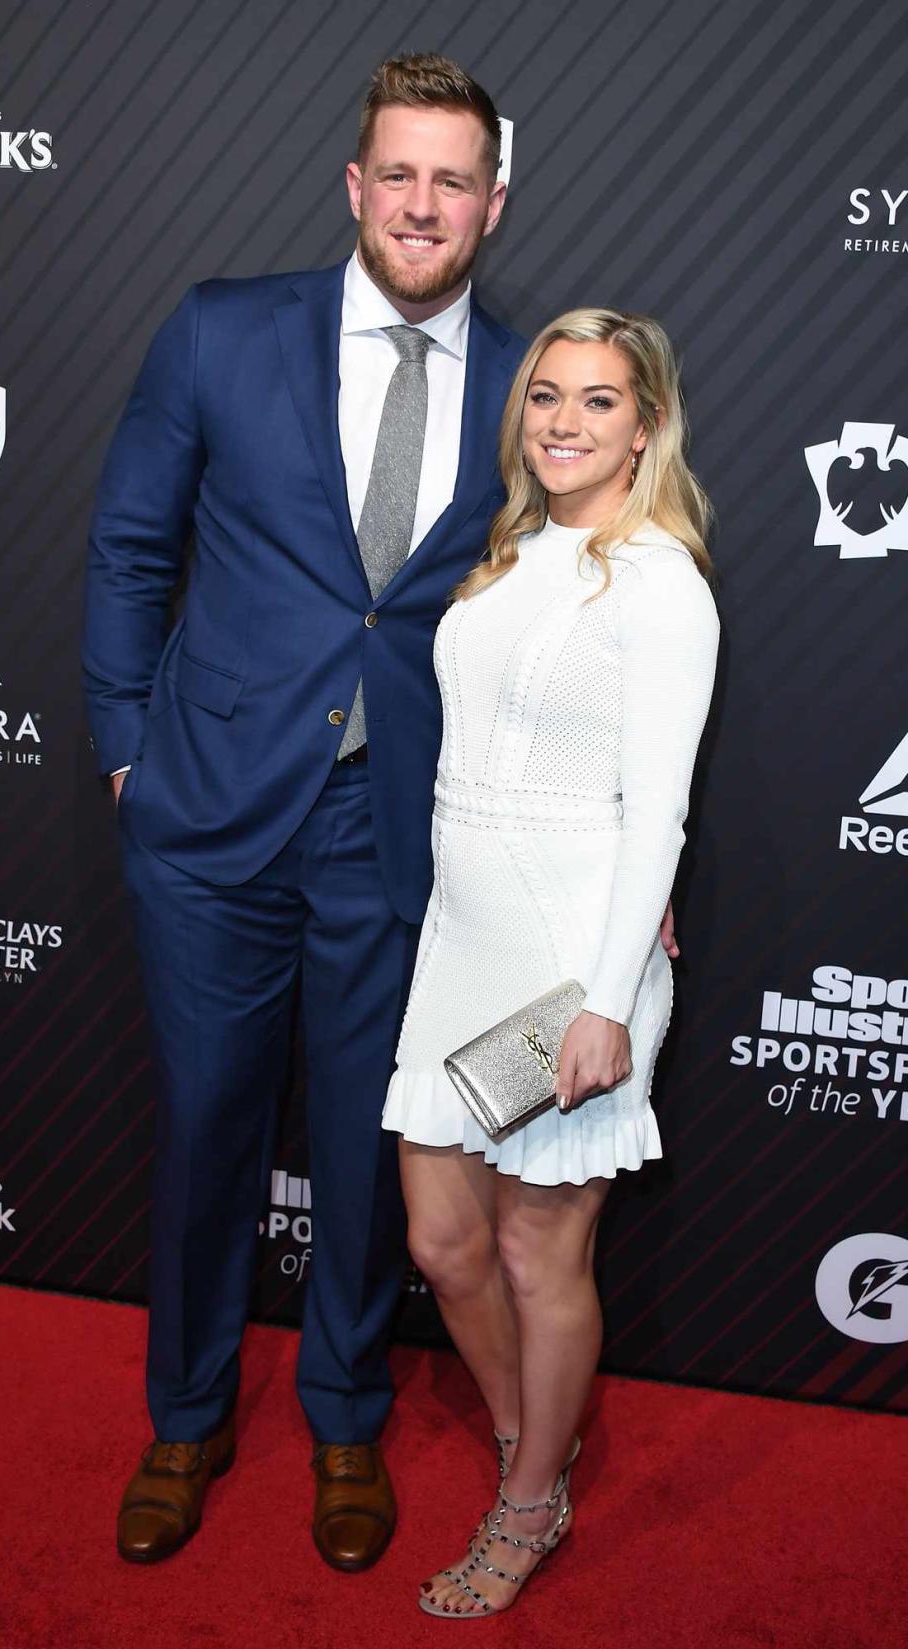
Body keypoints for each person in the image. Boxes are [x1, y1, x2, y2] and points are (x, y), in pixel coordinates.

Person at [82, 52, 523, 1572]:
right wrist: (129, 749)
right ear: (354, 186)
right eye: (397, 174)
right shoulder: (222, 329)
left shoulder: (535, 383)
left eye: (451, 179)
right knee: (205, 1125)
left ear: (494, 201)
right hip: (209, 819)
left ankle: (344, 1415)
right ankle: (188, 1414)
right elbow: (131, 544)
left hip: (394, 829)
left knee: (360, 1144)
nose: (422, 203)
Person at [382, 308, 720, 1617]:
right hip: (463, 943)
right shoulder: (509, 551)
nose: (566, 422)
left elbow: (661, 808)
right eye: (546, 397)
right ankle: (546, 1431)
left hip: (573, 964)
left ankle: (527, 1498)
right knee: (440, 1237)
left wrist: (606, 993)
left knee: (536, 1255)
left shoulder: (660, 583)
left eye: (597, 400)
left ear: (647, 423)